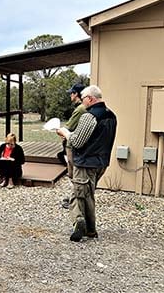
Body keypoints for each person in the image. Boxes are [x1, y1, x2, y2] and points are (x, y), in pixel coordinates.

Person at [57, 85, 117, 242]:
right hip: (101, 162)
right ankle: (90, 230)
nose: (81, 102)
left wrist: (65, 133)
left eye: (83, 99)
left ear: (90, 98)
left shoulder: (89, 116)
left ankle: (78, 222)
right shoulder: (111, 115)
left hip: (85, 162)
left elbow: (77, 142)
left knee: (78, 194)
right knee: (88, 194)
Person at [57, 83, 86, 209]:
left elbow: (69, 127)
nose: (70, 95)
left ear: (76, 94)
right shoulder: (83, 108)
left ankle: (76, 201)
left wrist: (59, 131)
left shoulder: (80, 109)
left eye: (71, 93)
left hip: (72, 145)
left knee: (73, 173)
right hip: (75, 143)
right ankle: (76, 198)